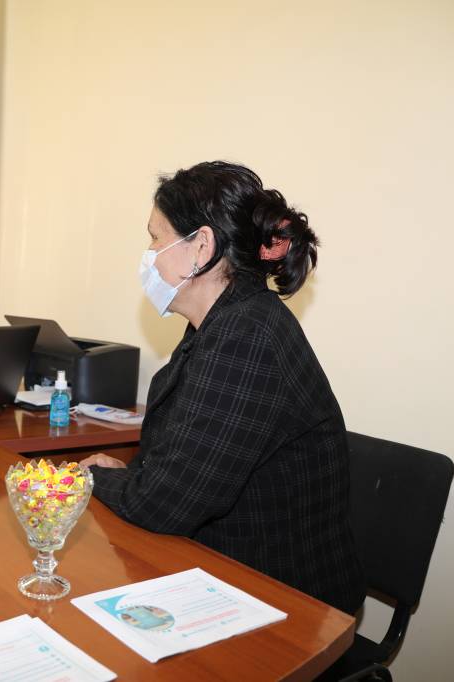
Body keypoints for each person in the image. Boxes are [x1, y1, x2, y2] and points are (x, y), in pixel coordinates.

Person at [80, 162, 365, 614]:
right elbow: (182, 461)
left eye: (155, 238)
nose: (149, 254)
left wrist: (93, 479)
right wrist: (130, 477)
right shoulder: (224, 321)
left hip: (286, 600)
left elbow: (166, 506)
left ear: (202, 246)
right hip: (224, 567)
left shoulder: (246, 334)